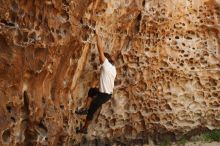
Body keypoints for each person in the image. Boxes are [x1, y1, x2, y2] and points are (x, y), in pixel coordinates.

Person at [75, 31, 117, 134]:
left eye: (101, 60)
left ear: (105, 60)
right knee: (92, 91)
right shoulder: (113, 68)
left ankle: (84, 128)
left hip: (104, 95)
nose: (100, 61)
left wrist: (97, 35)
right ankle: (85, 108)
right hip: (105, 93)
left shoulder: (106, 65)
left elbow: (100, 50)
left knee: (92, 109)